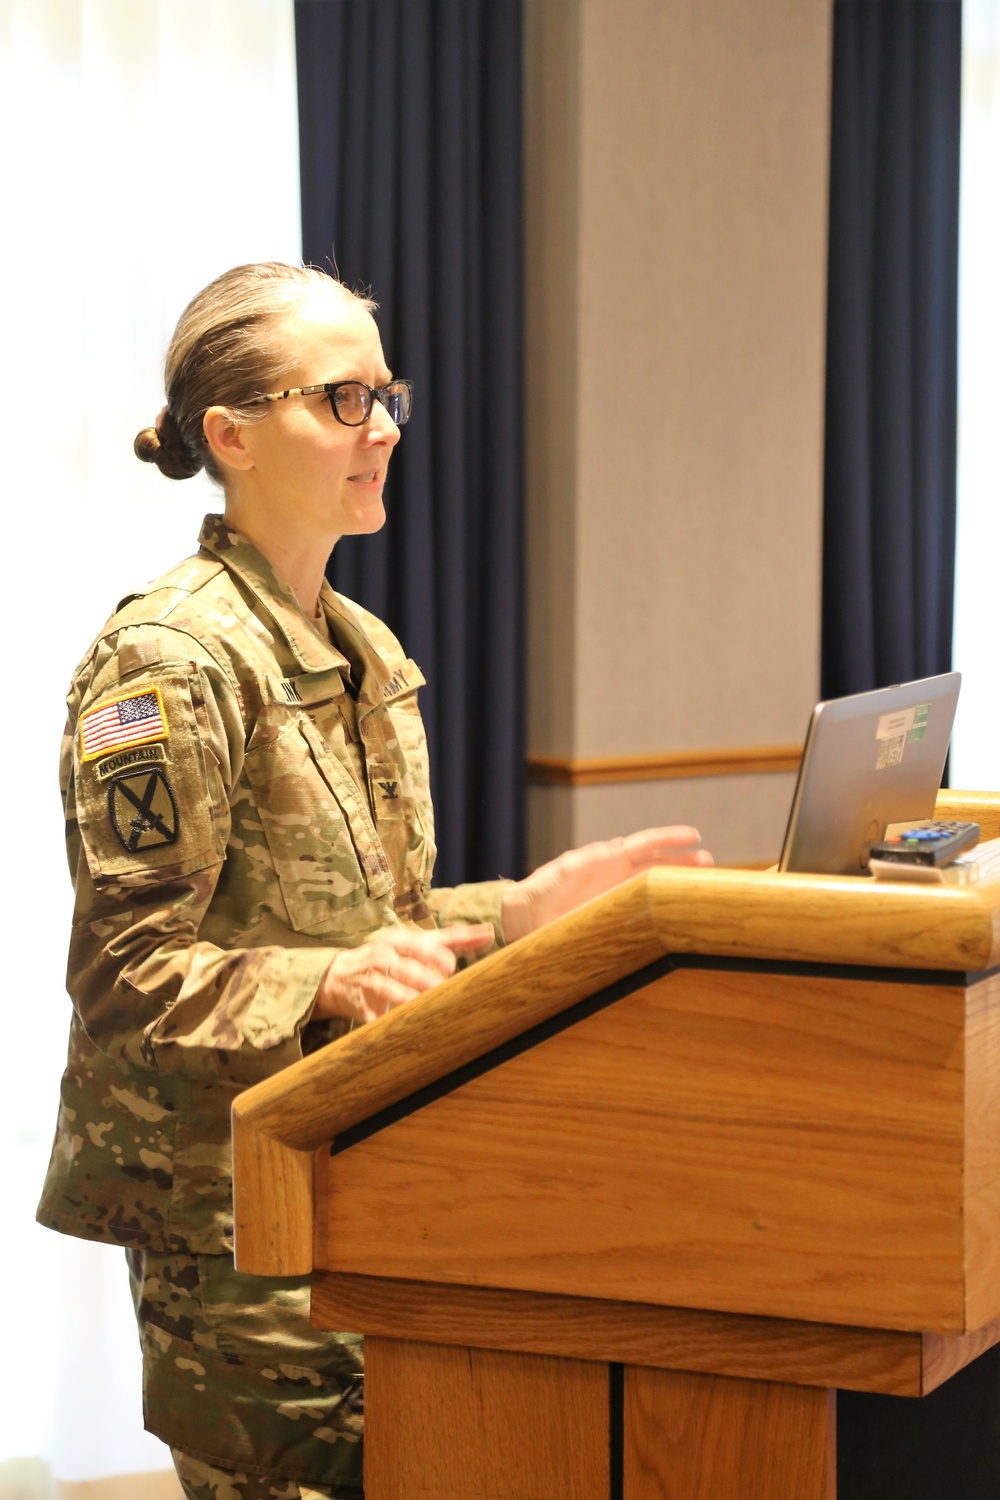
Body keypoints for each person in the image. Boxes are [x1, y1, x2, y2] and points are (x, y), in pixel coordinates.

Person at [37, 261, 712, 1500]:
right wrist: (336, 975)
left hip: (373, 1170)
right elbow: (128, 979)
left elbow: (369, 934)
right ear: (231, 436)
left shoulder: (362, 647)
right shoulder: (165, 663)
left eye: (385, 394)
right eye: (343, 399)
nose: (385, 427)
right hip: (230, 1211)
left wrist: (514, 913)